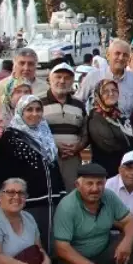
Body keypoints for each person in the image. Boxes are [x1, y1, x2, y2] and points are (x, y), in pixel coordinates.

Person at [0, 94, 67, 244]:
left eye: (38, 109)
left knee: (52, 240)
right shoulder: (11, 137)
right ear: (20, 112)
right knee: (30, 243)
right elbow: (2, 172)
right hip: (27, 202)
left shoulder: (45, 133)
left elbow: (53, 166)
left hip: (51, 200)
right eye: (29, 110)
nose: (35, 114)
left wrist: (60, 190)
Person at [40, 61, 87, 190]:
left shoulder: (79, 104)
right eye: (58, 77)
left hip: (72, 160)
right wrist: (54, 147)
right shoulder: (38, 102)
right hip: (47, 159)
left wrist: (78, 146)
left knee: (71, 194)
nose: (62, 81)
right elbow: (33, 131)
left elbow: (85, 131)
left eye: (67, 78)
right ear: (50, 79)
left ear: (72, 81)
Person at [86, 78, 133, 177]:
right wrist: (131, 150)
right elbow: (109, 145)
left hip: (124, 169)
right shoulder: (96, 117)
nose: (111, 93)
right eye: (105, 91)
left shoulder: (119, 114)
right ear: (99, 95)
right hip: (107, 172)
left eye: (114, 90)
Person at [78, 39, 133, 114]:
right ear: (108, 55)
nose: (121, 58)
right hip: (99, 124)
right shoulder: (93, 76)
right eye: (117, 53)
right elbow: (78, 101)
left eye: (125, 55)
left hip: (128, 124)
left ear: (128, 59)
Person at [0, 48, 39, 113]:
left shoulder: (45, 88)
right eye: (22, 63)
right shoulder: (0, 87)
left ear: (36, 66)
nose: (26, 68)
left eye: (30, 64)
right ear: (14, 65)